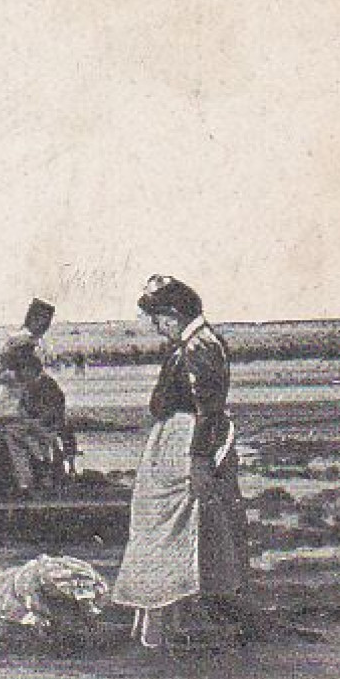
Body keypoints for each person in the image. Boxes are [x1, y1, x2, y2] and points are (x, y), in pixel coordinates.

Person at [113, 276, 251, 650]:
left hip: (183, 444)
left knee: (166, 531)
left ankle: (156, 628)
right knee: (164, 529)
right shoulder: (192, 344)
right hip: (175, 442)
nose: (156, 327)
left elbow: (209, 411)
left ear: (173, 315)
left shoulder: (200, 346)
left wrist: (199, 461)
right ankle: (158, 624)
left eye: (157, 318)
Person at [0, 343, 66, 495]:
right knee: (10, 434)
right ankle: (24, 479)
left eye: (23, 370)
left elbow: (50, 414)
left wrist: (28, 421)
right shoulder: (35, 383)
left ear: (31, 369)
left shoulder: (45, 385)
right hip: (37, 426)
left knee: (11, 436)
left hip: (47, 429)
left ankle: (26, 480)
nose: (22, 374)